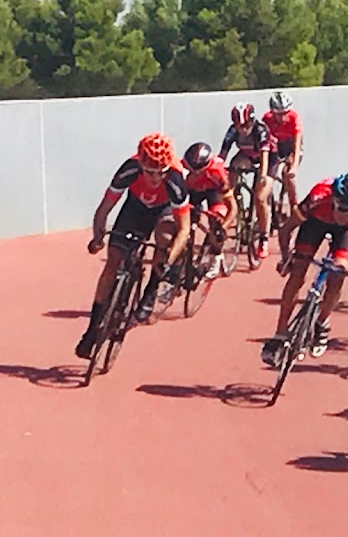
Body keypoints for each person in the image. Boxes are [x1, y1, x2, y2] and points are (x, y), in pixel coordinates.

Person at [75, 133, 192, 358]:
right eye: (150, 172)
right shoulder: (129, 169)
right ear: (140, 164)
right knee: (112, 264)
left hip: (164, 210)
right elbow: (104, 209)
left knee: (165, 238)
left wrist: (168, 261)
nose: (156, 178)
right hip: (136, 206)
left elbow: (184, 229)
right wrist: (97, 237)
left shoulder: (176, 180)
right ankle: (91, 331)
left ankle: (150, 291)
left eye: (161, 172)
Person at [261, 174, 348, 367]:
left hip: (344, 233)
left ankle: (322, 322)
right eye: (342, 209)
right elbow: (286, 229)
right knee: (297, 273)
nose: (345, 215)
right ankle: (280, 332)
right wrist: (287, 258)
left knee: (339, 274)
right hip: (315, 224)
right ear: (334, 200)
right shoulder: (318, 197)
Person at [219, 101, 275, 259]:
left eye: (245, 125)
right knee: (232, 169)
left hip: (269, 159)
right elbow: (223, 154)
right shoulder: (232, 131)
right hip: (247, 156)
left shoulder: (261, 130)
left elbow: (265, 156)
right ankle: (234, 207)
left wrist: (263, 176)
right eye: (238, 126)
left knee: (260, 197)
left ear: (252, 121)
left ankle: (264, 238)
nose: (242, 130)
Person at [182, 141, 237, 280]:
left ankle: (216, 256)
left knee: (216, 220)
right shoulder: (182, 168)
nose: (193, 173)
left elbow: (233, 207)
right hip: (193, 191)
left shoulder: (218, 173)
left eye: (197, 171)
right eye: (190, 170)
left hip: (214, 191)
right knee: (184, 222)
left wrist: (223, 228)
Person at [262, 91, 303, 212]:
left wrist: (294, 167)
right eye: (278, 114)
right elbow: (263, 142)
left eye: (285, 113)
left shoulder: (294, 118)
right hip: (276, 147)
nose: (282, 117)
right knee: (269, 174)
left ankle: (294, 206)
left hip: (291, 147)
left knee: (287, 174)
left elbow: (297, 143)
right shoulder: (267, 119)